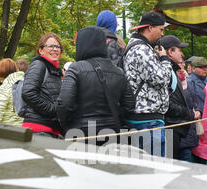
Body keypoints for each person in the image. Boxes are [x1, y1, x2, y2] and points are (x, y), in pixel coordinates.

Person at [57, 26, 135, 144]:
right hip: (113, 133)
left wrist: (66, 125)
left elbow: (64, 103)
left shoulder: (75, 69)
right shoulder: (119, 72)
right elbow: (130, 105)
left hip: (81, 134)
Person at [123, 11, 172, 157]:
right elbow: (161, 79)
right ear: (149, 28)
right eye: (161, 29)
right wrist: (164, 60)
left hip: (147, 118)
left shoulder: (141, 47)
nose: (162, 34)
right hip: (146, 119)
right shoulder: (141, 50)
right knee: (154, 167)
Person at [159, 35, 195, 160]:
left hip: (175, 127)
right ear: (170, 52)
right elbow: (166, 103)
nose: (182, 53)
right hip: (170, 127)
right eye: (179, 50)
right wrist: (187, 113)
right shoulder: (166, 71)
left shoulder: (171, 70)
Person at [21, 33, 64, 138]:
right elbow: (28, 93)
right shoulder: (39, 65)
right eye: (50, 46)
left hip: (50, 129)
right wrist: (52, 109)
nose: (54, 49)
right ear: (40, 50)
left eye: (57, 46)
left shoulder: (54, 70)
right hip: (38, 130)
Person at [0, 59, 24, 127]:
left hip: (9, 128)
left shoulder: (5, 88)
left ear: (1, 71)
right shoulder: (26, 83)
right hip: (26, 126)